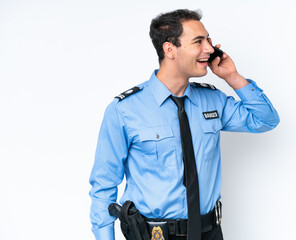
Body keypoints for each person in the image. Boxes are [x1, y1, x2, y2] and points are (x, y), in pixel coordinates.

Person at [89, 9, 280, 240]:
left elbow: (265, 120)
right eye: (198, 41)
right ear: (169, 49)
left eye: (208, 39)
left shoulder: (213, 100)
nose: (210, 48)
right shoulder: (125, 110)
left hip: (210, 233)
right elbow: (103, 185)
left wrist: (233, 77)